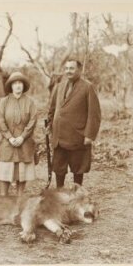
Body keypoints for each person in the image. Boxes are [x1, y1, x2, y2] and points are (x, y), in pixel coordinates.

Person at [47, 59, 101, 188]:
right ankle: (59, 194)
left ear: (79, 70)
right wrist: (50, 125)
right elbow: (52, 109)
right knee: (59, 168)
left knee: (78, 168)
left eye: (71, 68)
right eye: (66, 68)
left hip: (77, 136)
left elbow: (94, 114)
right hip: (59, 137)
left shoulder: (88, 87)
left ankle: (77, 196)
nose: (68, 71)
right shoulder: (59, 86)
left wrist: (89, 135)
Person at [0, 72, 38, 196]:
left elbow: (33, 120)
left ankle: (20, 200)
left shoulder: (30, 102)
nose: (18, 86)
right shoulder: (3, 102)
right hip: (7, 142)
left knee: (21, 173)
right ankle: (4, 201)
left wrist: (22, 137)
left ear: (23, 86)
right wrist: (9, 137)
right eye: (15, 83)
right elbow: (0, 120)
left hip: (24, 143)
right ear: (11, 86)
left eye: (20, 83)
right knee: (5, 172)